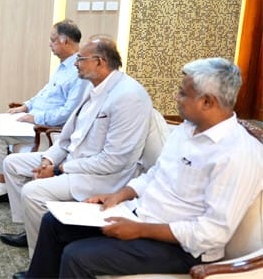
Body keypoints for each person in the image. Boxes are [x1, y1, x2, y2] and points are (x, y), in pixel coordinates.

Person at [20, 57, 263, 279]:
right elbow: (156, 174)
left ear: (207, 101)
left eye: (183, 93)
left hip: (181, 248)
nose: (176, 98)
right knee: (54, 223)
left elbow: (211, 233)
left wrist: (140, 230)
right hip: (140, 215)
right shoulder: (187, 130)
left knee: (77, 257)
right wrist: (120, 195)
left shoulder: (238, 154)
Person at [0, 36, 153, 256]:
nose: (75, 63)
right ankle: (31, 229)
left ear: (99, 62)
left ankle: (39, 258)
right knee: (12, 164)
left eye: (81, 59)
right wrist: (49, 160)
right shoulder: (94, 87)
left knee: (33, 192)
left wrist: (58, 169)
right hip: (72, 160)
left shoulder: (128, 96)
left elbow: (114, 161)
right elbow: (67, 138)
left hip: (99, 176)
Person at [0, 19, 88, 204]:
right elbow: (44, 93)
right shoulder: (62, 66)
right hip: (34, 118)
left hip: (45, 125)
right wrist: (26, 106)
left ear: (65, 41)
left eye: (52, 40)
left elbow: (68, 112)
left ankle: (2, 187)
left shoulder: (78, 72)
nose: (49, 44)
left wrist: (35, 117)